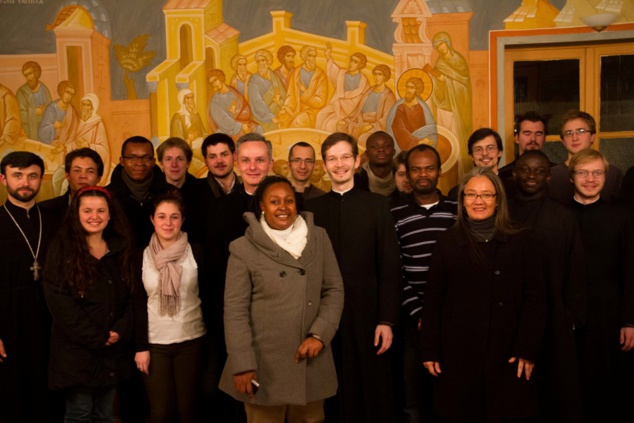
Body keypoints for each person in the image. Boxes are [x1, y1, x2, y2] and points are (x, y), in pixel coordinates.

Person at [421, 167, 546, 422]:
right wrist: (430, 348)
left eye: (486, 195)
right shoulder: (447, 242)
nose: (478, 201)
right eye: (471, 195)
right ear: (462, 200)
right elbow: (434, 298)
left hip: (509, 352)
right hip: (458, 353)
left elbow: (536, 297)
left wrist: (527, 347)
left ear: (497, 200)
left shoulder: (522, 240)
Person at [220, 176, 344, 423]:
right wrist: (242, 364)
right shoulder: (242, 248)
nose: (283, 207)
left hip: (310, 359)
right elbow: (235, 310)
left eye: (289, 200)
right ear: (262, 206)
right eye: (274, 201)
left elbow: (334, 290)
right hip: (263, 365)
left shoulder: (318, 237)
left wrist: (319, 335)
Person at [306, 132, 401, 423]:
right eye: (332, 159)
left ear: (357, 160)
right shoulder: (311, 210)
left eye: (345, 157)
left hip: (369, 312)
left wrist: (386, 320)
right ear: (324, 165)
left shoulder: (376, 205)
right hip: (324, 313)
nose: (339, 164)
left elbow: (389, 267)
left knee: (370, 388)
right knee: (329, 388)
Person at [44, 186, 135, 423]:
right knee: (80, 413)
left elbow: (131, 296)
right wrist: (97, 336)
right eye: (87, 211)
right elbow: (60, 304)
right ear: (76, 214)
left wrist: (119, 330)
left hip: (112, 350)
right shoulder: (61, 249)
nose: (94, 216)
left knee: (105, 415)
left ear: (110, 214)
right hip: (77, 353)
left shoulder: (120, 248)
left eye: (100, 211)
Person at [508, 150, 586, 423]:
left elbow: (575, 270)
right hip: (512, 319)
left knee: (555, 392)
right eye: (526, 170)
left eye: (539, 171)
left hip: (556, 318)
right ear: (515, 173)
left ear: (549, 177)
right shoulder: (503, 213)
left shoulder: (563, 217)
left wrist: (571, 316)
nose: (532, 175)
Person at [390, 144, 457, 422]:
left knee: (451, 392)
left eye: (429, 168)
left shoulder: (458, 211)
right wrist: (419, 313)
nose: (422, 174)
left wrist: (444, 313)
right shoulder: (394, 214)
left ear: (439, 172)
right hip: (412, 319)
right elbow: (396, 270)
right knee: (413, 396)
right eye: (416, 169)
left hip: (453, 318)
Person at [568, 149, 634, 422]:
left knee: (608, 389)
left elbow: (631, 270)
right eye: (583, 172)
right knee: (572, 386)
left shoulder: (622, 215)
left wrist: (630, 321)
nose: (590, 179)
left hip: (610, 314)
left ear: (606, 177)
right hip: (569, 315)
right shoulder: (559, 215)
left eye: (597, 172)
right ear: (572, 177)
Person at [134, 191, 207, 423]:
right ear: (152, 220)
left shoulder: (195, 252)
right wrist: (140, 347)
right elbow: (136, 304)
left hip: (191, 340)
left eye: (174, 217)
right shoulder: (140, 257)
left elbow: (209, 295)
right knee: (160, 411)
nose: (168, 223)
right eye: (162, 216)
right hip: (155, 344)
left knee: (188, 409)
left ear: (182, 220)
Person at [0, 151, 59, 423]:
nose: (25, 182)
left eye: (32, 176)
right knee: (13, 395)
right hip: (8, 319)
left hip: (51, 317)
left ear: (40, 180)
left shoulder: (56, 219)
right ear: (3, 179)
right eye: (18, 175)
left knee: (50, 394)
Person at [548, 109, 622, 205]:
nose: (574, 138)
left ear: (592, 136)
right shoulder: (551, 175)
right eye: (568, 133)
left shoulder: (612, 174)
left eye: (581, 131)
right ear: (563, 141)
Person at [107, 135, 169, 248]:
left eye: (145, 157)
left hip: (162, 258)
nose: (139, 163)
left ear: (153, 161)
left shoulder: (170, 193)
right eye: (132, 157)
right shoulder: (107, 196)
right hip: (120, 261)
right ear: (122, 161)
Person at [427, 31, 472, 149]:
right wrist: (437, 79)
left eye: (442, 44)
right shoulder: (440, 63)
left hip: (460, 102)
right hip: (447, 104)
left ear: (448, 43)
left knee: (459, 131)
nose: (441, 48)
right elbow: (437, 86)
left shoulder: (458, 60)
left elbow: (464, 82)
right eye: (437, 46)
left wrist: (447, 80)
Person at [156, 137, 204, 241]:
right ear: (161, 163)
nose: (174, 165)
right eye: (168, 159)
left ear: (188, 163)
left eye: (180, 159)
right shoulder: (151, 193)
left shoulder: (204, 191)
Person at [315, 43, 369, 133]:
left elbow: (363, 99)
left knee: (330, 124)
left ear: (360, 65)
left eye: (355, 62)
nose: (351, 63)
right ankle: (317, 137)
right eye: (351, 60)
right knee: (320, 115)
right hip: (337, 103)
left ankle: (327, 143)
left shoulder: (363, 80)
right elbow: (332, 69)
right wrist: (328, 55)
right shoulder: (342, 73)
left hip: (350, 109)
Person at [39, 147, 104, 222]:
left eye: (90, 171)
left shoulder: (111, 210)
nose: (83, 176)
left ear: (99, 178)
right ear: (67, 175)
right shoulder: (45, 211)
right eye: (77, 170)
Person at [346, 64, 397, 148]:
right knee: (344, 130)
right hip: (361, 122)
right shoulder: (370, 91)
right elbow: (359, 109)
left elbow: (387, 118)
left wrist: (371, 126)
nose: (376, 77)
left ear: (385, 77)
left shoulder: (388, 95)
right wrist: (351, 119)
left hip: (377, 127)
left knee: (363, 139)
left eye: (380, 74)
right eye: (375, 74)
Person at [278, 45, 328, 129]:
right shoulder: (296, 72)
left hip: (312, 111)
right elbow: (291, 95)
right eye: (309, 55)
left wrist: (304, 91)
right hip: (296, 109)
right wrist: (286, 108)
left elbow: (320, 102)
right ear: (304, 56)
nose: (312, 59)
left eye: (314, 56)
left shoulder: (320, 75)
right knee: (282, 117)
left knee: (299, 121)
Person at [448, 128, 503, 200]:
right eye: (478, 149)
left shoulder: (513, 188)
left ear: (499, 152)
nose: (484, 153)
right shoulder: (457, 193)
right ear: (471, 156)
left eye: (490, 148)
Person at [207, 69, 262, 140]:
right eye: (212, 83)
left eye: (215, 80)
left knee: (258, 128)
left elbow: (245, 107)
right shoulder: (215, 101)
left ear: (220, 78)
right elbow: (222, 119)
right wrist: (240, 126)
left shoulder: (233, 91)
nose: (214, 84)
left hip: (243, 121)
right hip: (230, 128)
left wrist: (242, 117)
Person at [386, 76, 437, 152]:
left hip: (423, 141)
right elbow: (399, 129)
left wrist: (426, 139)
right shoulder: (400, 107)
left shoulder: (423, 107)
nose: (408, 90)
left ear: (417, 90)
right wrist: (417, 142)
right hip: (407, 142)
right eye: (407, 87)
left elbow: (429, 127)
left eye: (411, 88)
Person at [74, 93, 112, 184]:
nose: (84, 108)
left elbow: (104, 150)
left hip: (90, 163)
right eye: (83, 104)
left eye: (88, 105)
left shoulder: (98, 124)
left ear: (92, 108)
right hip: (75, 161)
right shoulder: (78, 122)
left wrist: (88, 146)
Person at [248, 49, 287, 132]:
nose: (261, 64)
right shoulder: (254, 80)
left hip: (277, 113)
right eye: (258, 61)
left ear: (268, 62)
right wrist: (271, 117)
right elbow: (257, 101)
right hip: (262, 117)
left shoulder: (274, 77)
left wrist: (279, 102)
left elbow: (284, 95)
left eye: (263, 60)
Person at [38, 80, 79, 149]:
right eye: (67, 92)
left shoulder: (72, 111)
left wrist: (66, 146)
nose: (68, 96)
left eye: (71, 94)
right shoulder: (51, 109)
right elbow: (41, 132)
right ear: (62, 91)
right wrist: (53, 126)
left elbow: (75, 132)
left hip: (66, 146)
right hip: (51, 145)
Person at [16, 61, 52, 140]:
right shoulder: (21, 92)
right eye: (26, 75)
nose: (28, 78)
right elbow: (19, 115)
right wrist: (34, 113)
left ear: (36, 73)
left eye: (30, 74)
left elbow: (50, 110)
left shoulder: (44, 89)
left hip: (44, 131)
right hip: (28, 132)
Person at [354, 131, 396, 196]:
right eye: (374, 146)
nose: (381, 149)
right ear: (367, 154)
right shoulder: (355, 181)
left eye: (386, 146)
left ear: (394, 152)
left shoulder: (405, 177)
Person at [200, 133, 241, 199]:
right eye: (212, 157)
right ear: (205, 161)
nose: (219, 161)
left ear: (234, 156)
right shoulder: (193, 191)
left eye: (224, 155)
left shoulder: (249, 187)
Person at [287, 141, 325, 208]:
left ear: (314, 165)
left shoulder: (323, 199)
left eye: (308, 161)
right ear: (289, 164)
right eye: (297, 160)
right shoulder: (278, 196)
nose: (303, 166)